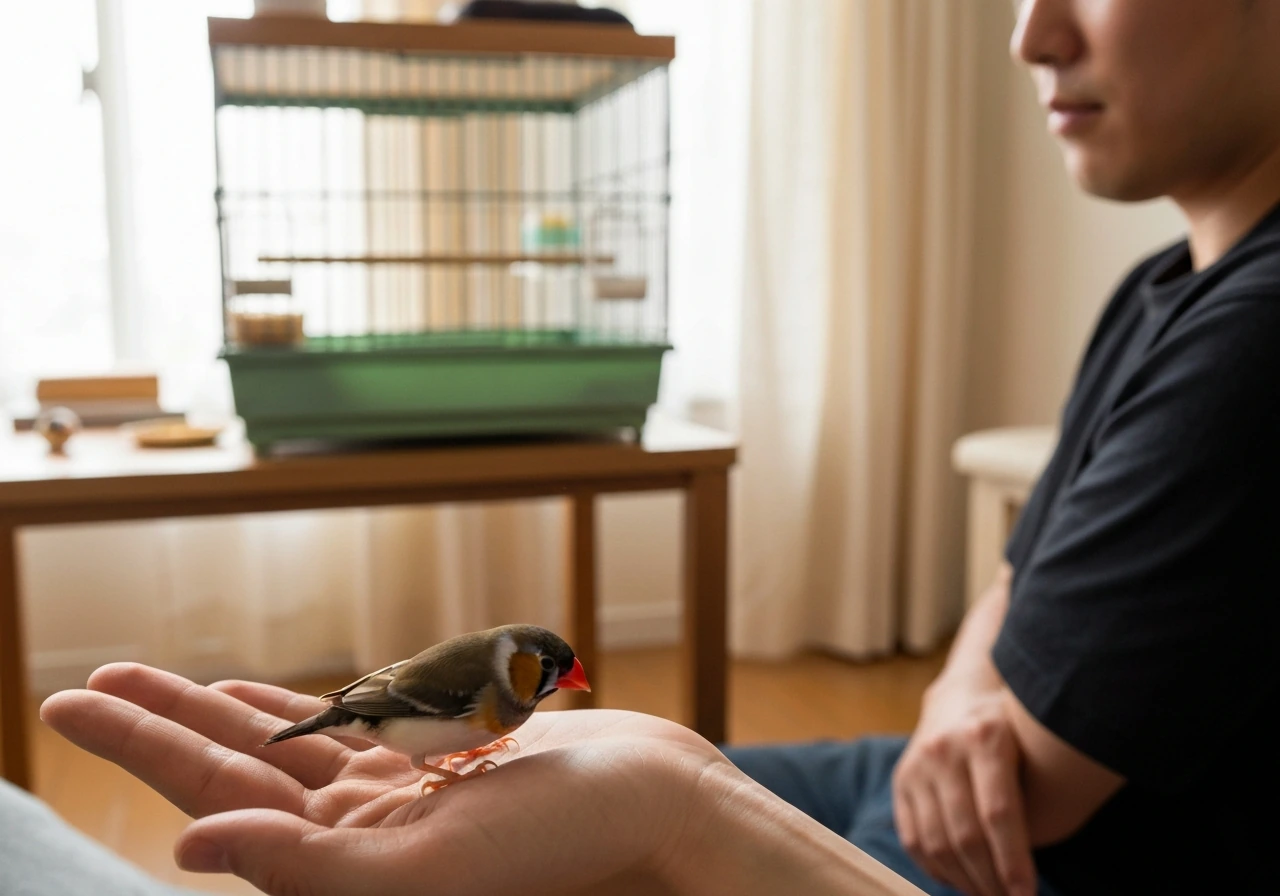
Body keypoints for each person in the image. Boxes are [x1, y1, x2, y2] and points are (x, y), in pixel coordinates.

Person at [21, 0, 1280, 893]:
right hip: (919, 775)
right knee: (580, 786)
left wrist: (679, 824)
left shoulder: (1252, 339)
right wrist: (958, 694)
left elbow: (1038, 790)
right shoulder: (1158, 288)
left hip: (1012, 856)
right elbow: (1019, 564)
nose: (1025, 34)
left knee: (548, 819)